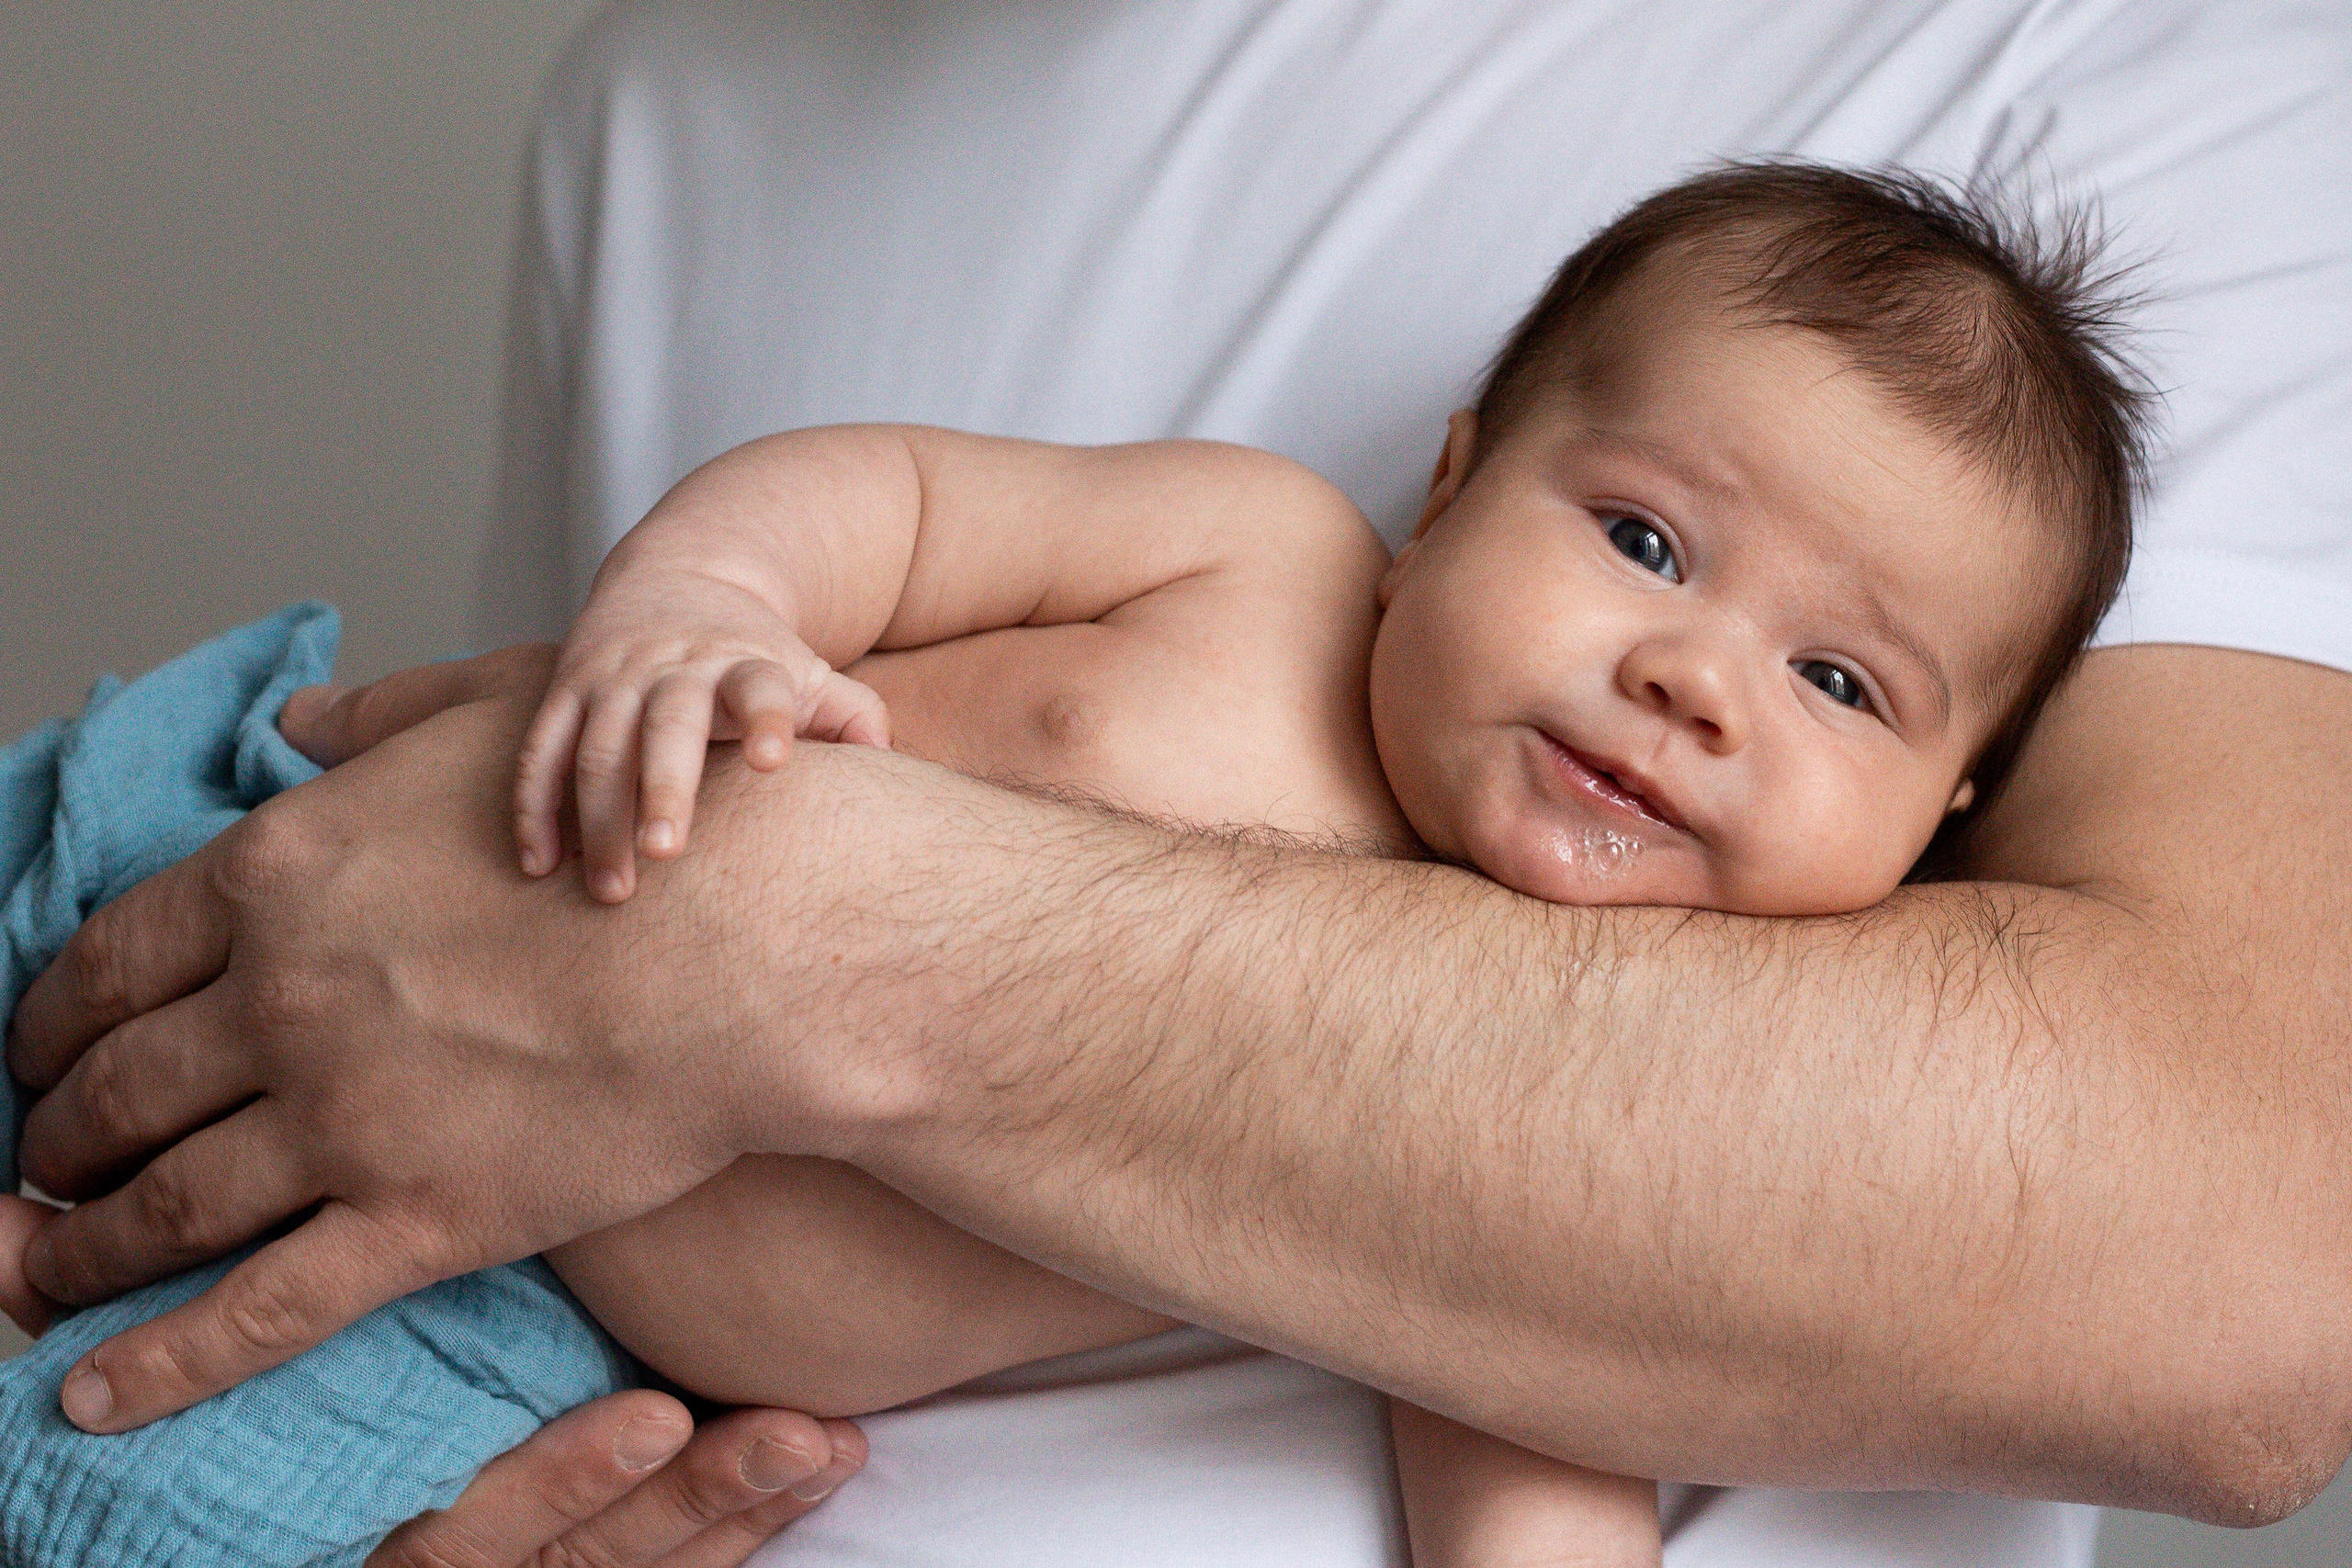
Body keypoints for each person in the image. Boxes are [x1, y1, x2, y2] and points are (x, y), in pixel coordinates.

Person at [4, 3, 2347, 1566]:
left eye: (1840, 680)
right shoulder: (1257, 554)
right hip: (211, 866)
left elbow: (1554, 1480)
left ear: (1956, 803)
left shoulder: (1544, 1178)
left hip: (486, 1359)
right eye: (1638, 539)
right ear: (1450, 485)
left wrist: (810, 941)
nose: (1687, 675)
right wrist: (698, 609)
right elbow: (891, 509)